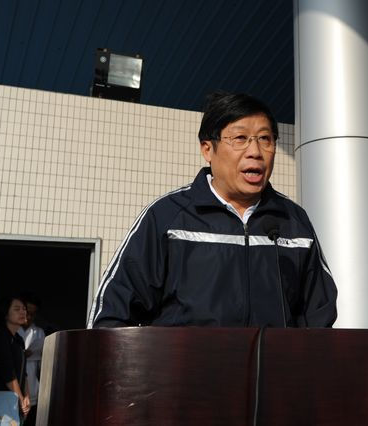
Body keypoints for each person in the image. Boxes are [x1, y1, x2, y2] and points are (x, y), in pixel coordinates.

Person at [87, 91, 337, 328]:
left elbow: (319, 319)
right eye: (240, 139)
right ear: (207, 149)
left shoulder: (294, 221)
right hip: (185, 362)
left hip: (274, 362)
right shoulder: (167, 216)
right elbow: (112, 312)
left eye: (265, 139)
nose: (255, 152)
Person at [0, 296, 31, 419]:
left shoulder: (19, 340)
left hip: (15, 399)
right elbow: (8, 373)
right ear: (5, 314)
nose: (23, 312)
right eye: (17, 309)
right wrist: (20, 399)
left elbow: (24, 373)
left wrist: (26, 396)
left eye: (24, 309)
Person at [17, 292, 46, 426]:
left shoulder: (39, 332)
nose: (29, 317)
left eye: (33, 314)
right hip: (14, 384)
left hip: (33, 384)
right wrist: (21, 354)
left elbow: (42, 363)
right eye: (27, 312)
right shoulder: (13, 330)